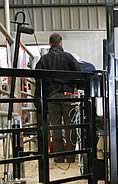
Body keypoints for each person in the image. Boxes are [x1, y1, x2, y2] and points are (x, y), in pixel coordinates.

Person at [35, 32, 81, 163]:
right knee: (70, 126)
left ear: (50, 43)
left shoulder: (44, 59)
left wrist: (38, 99)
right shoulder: (68, 57)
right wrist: (73, 86)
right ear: (61, 43)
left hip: (52, 97)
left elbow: (37, 78)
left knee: (55, 127)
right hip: (68, 96)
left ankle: (59, 157)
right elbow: (79, 73)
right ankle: (71, 157)